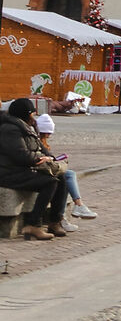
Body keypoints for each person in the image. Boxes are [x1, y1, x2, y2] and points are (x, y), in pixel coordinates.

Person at [1, 99, 72, 240]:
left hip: (22, 169)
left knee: (61, 177)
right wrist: (39, 159)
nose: (34, 117)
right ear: (25, 114)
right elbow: (20, 155)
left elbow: (41, 148)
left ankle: (55, 221)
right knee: (50, 182)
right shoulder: (10, 129)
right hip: (8, 172)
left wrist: (50, 158)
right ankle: (34, 224)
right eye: (32, 114)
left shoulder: (25, 127)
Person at [31, 108, 97, 220]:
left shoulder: (39, 141)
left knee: (65, 176)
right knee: (67, 175)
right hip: (37, 171)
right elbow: (36, 157)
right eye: (48, 133)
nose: (49, 136)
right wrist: (49, 159)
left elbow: (47, 155)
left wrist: (52, 159)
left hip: (42, 168)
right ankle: (74, 208)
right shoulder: (35, 140)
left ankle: (68, 212)